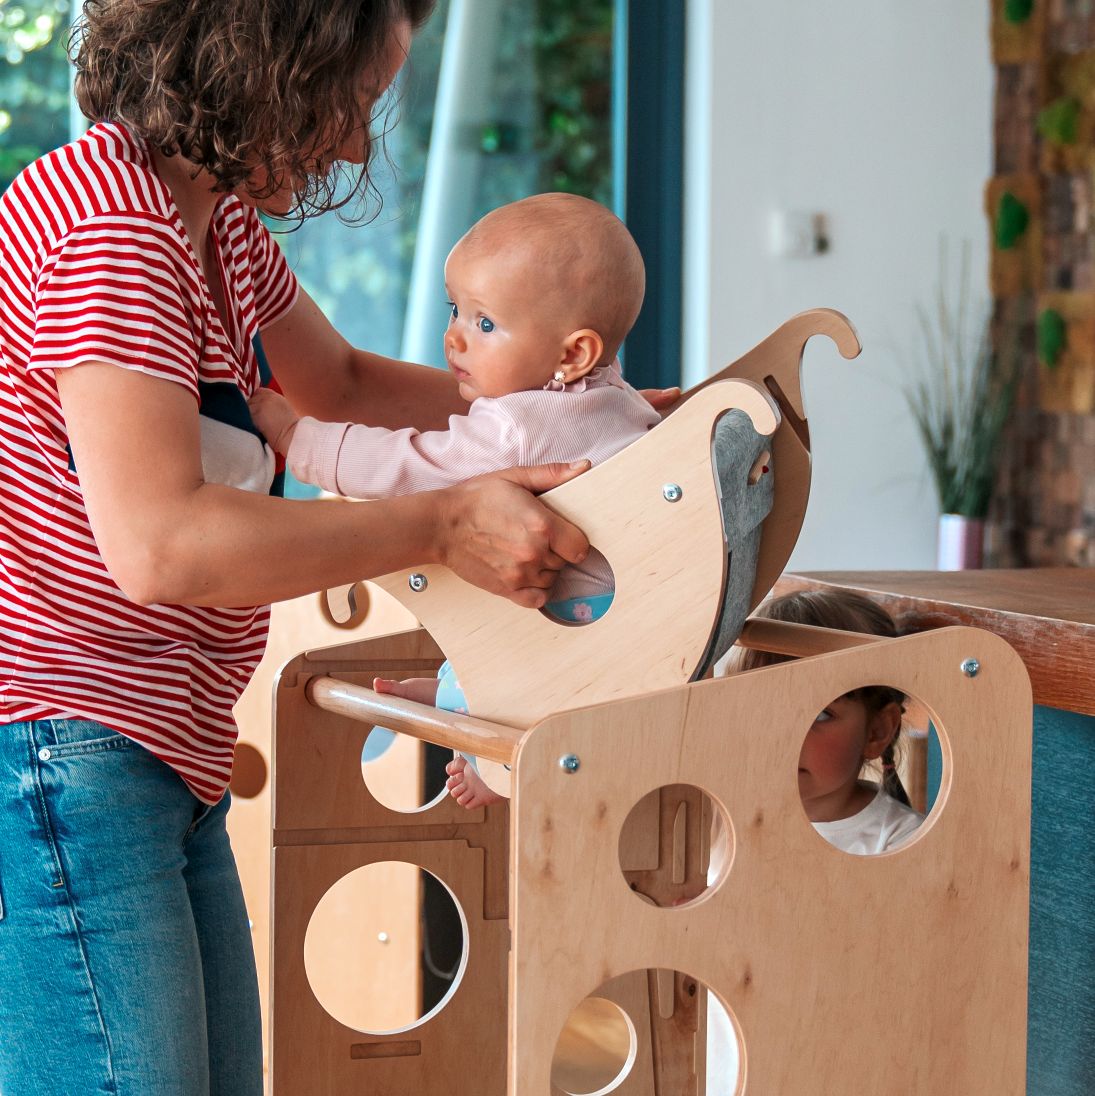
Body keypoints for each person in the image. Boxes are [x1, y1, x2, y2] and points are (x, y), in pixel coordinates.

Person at [0, 4, 676, 1092]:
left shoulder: (211, 222)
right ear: (265, 62)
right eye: (353, 101)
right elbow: (161, 545)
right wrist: (446, 523)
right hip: (73, 745)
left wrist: (597, 421)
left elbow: (345, 386)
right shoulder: (111, 233)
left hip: (159, 747)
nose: (358, 145)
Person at [249, 192, 660, 809]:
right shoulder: (618, 396)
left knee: (494, 628)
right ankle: (450, 688)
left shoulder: (517, 427)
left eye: (485, 324)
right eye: (455, 311)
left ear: (573, 354)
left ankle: (479, 739)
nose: (454, 340)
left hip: (573, 636)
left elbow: (411, 469)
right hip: (628, 621)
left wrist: (295, 440)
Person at [705, 589, 926, 1095]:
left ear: (878, 730)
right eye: (761, 706)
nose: (783, 733)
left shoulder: (902, 844)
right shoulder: (712, 820)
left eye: (821, 714)